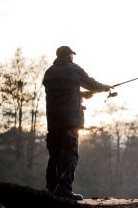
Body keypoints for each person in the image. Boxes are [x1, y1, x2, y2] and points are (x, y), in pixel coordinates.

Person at [42, 46, 111, 200]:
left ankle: (51, 188)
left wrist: (80, 94)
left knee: (54, 155)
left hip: (53, 121)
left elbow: (60, 91)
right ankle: (64, 190)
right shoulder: (73, 69)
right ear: (69, 56)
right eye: (72, 55)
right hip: (70, 121)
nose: (73, 58)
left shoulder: (49, 72)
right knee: (70, 154)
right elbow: (91, 83)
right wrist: (104, 87)